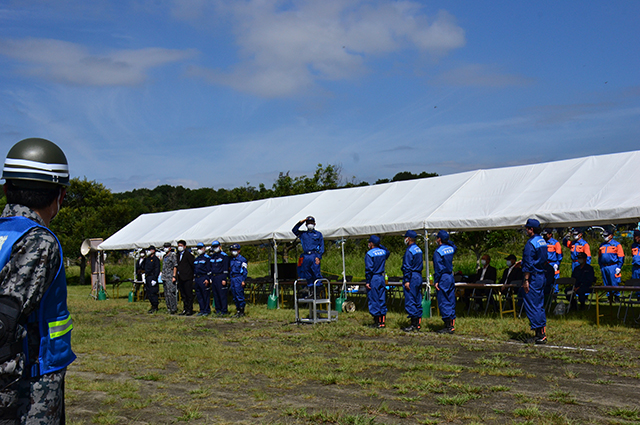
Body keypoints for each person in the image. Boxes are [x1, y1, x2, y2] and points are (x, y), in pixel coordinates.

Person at [0, 138, 76, 423]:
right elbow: (4, 323)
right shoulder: (38, 241)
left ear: (7, 188)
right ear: (60, 196)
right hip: (29, 387)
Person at [521, 219, 548, 344]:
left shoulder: (530, 243)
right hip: (541, 274)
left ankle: (539, 334)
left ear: (531, 229)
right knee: (539, 303)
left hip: (533, 276)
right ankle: (542, 331)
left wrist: (526, 280)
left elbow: (528, 263)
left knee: (532, 304)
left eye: (527, 228)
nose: (526, 230)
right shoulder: (542, 241)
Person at [292, 216, 324, 297]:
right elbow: (294, 230)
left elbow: (322, 246)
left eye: (311, 223)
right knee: (308, 274)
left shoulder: (318, 234)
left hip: (314, 255)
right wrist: (301, 221)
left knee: (316, 273)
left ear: (314, 224)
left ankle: (318, 290)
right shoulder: (303, 234)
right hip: (306, 255)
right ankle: (311, 291)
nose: (310, 225)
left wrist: (319, 257)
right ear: (306, 225)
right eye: (308, 223)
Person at [434, 230, 457, 334]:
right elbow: (454, 246)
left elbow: (438, 268)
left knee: (443, 300)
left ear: (439, 239)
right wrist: (448, 241)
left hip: (443, 276)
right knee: (451, 299)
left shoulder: (438, 251)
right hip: (450, 276)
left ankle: (447, 325)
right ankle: (452, 323)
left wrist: (436, 281)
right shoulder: (451, 248)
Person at [365, 235, 390, 329]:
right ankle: (382, 321)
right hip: (381, 277)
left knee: (374, 299)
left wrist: (368, 281)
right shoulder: (383, 252)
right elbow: (388, 252)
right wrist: (380, 245)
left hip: (374, 277)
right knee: (382, 298)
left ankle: (376, 322)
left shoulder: (369, 254)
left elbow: (369, 269)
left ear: (371, 243)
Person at [401, 230, 423, 332]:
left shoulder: (409, 251)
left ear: (408, 239)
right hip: (418, 275)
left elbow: (407, 266)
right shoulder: (418, 249)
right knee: (418, 299)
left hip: (412, 276)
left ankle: (413, 324)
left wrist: (406, 280)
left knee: (411, 300)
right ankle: (418, 323)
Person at [598, 229, 624, 300]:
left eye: (606, 235)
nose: (605, 237)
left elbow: (621, 256)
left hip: (613, 266)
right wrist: (600, 266)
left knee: (614, 282)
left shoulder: (617, 244)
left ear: (611, 236)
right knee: (606, 282)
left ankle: (616, 297)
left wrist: (619, 266)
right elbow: (599, 257)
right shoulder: (602, 245)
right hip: (604, 266)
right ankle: (609, 297)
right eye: (604, 235)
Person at [209, 241, 230, 316]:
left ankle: (224, 310)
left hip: (221, 276)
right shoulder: (212, 256)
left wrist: (224, 279)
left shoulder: (224, 256)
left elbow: (225, 268)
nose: (215, 248)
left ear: (220, 246)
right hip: (214, 277)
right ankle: (218, 310)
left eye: (216, 246)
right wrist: (211, 278)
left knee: (222, 295)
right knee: (216, 294)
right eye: (214, 247)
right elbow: (211, 268)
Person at [175, 240, 195, 316]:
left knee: (188, 294)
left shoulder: (188, 255)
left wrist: (191, 275)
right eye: (178, 245)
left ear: (184, 246)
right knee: (183, 294)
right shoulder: (177, 255)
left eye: (181, 245)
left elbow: (192, 266)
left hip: (187, 277)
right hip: (180, 277)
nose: (179, 247)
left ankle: (190, 309)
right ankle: (185, 308)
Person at [228, 243, 248, 317]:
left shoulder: (242, 259)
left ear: (239, 251)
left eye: (235, 250)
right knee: (234, 296)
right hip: (232, 278)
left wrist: (243, 280)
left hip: (239, 278)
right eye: (232, 250)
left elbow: (244, 271)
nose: (233, 251)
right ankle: (238, 310)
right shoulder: (230, 259)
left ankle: (242, 311)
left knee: (239, 295)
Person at [193, 242, 212, 316]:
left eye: (200, 248)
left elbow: (209, 270)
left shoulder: (207, 258)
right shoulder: (196, 259)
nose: (199, 250)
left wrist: (208, 279)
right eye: (198, 248)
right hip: (197, 278)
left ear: (204, 249)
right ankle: (202, 309)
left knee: (205, 295)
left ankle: (207, 310)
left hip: (204, 277)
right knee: (199, 295)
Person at [542, 229, 563, 293]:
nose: (545, 236)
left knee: (555, 278)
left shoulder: (555, 243)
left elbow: (559, 254)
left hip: (553, 263)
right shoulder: (542, 242)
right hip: (544, 263)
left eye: (546, 234)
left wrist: (557, 263)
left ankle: (555, 293)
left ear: (550, 234)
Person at [162, 242, 178, 314]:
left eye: (167, 247)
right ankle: (168, 308)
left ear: (170, 248)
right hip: (164, 277)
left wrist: (174, 276)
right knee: (166, 293)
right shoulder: (164, 256)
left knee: (171, 293)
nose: (165, 248)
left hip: (170, 276)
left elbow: (175, 266)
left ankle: (173, 308)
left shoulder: (173, 256)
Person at [144, 245, 161, 313]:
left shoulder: (155, 259)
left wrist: (155, 278)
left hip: (152, 277)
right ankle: (152, 305)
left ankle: (155, 306)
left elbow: (157, 269)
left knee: (153, 292)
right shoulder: (147, 259)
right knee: (149, 293)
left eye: (150, 250)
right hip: (148, 277)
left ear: (153, 251)